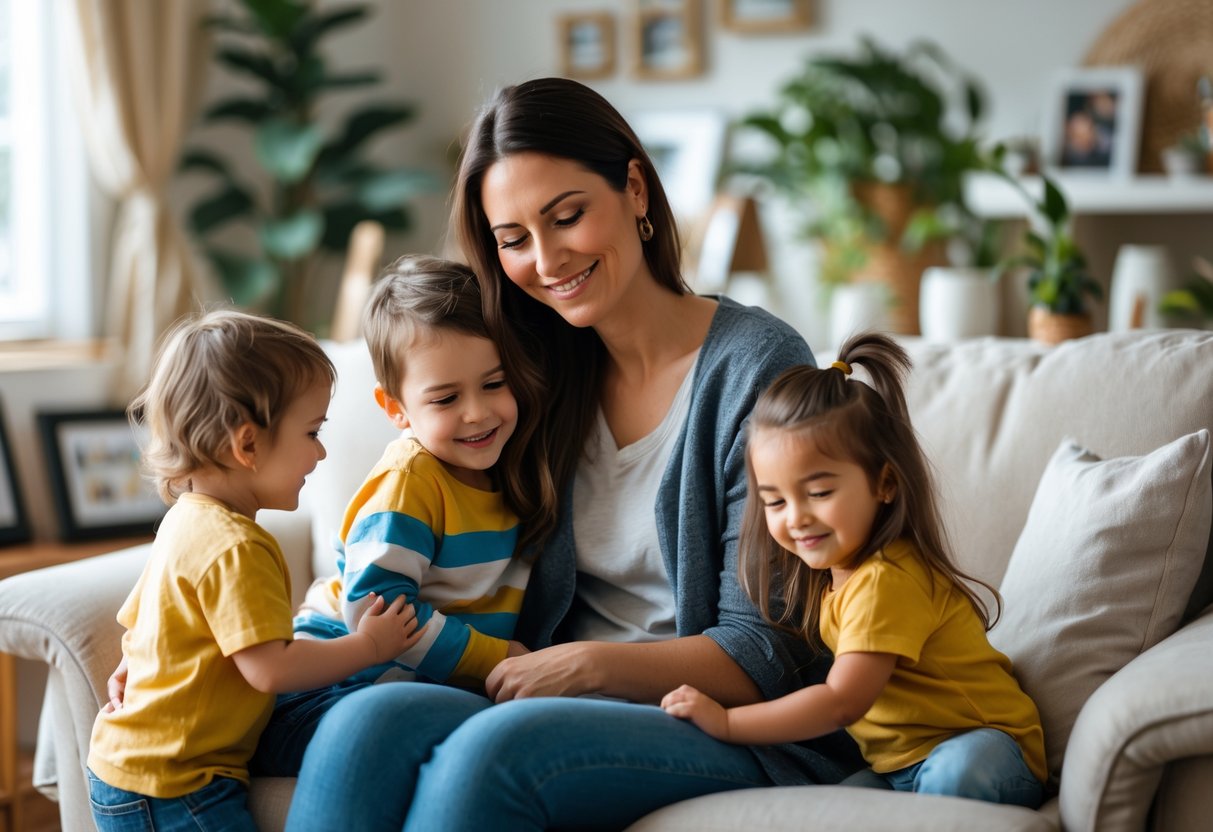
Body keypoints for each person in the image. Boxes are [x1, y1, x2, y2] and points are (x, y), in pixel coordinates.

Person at [279, 76, 863, 832]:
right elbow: (405, 520)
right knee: (366, 724)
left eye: (567, 217)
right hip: (546, 688)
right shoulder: (523, 375)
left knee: (496, 751)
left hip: (721, 716)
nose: (547, 260)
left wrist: (587, 665)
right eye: (514, 239)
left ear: (633, 189)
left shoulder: (754, 367)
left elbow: (763, 646)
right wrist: (190, 643)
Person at [661, 332, 1047, 808]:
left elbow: (841, 702)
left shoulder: (886, 580)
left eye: (819, 493)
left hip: (987, 748)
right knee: (824, 808)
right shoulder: (835, 583)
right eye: (775, 501)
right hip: (899, 768)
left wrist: (727, 723)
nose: (795, 517)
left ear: (884, 483)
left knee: (954, 774)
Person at [86, 310, 424, 832]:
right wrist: (371, 648)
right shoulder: (237, 546)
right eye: (311, 432)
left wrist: (138, 669)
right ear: (247, 445)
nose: (321, 451)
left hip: (131, 769)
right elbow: (271, 669)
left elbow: (149, 622)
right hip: (176, 783)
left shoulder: (187, 518)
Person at [293, 255, 535, 687]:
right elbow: (377, 609)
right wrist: (498, 657)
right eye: (445, 399)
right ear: (396, 409)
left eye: (494, 384)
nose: (477, 414)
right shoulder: (409, 481)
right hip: (336, 674)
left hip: (419, 681)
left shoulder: (514, 462)